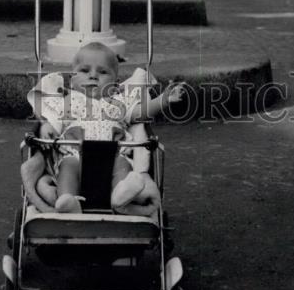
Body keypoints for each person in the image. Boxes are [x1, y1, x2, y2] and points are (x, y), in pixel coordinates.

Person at [26, 42, 183, 214]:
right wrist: (47, 128)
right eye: (85, 71)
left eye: (103, 72)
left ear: (115, 84)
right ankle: (69, 202)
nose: (93, 76)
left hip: (113, 155)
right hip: (76, 154)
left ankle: (121, 196)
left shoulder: (119, 102)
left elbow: (141, 113)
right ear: (72, 79)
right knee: (67, 168)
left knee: (123, 166)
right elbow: (52, 118)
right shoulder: (67, 101)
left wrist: (163, 100)